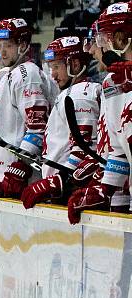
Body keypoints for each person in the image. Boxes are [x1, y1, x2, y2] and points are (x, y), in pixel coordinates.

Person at [0, 18, 58, 199]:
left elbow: (38, 127)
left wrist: (20, 167)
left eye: (8, 45)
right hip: (3, 174)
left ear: (22, 45)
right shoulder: (7, 75)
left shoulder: (27, 74)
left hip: (22, 178)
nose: (2, 52)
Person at [67, 2, 132, 223]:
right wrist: (104, 188)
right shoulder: (115, 83)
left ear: (122, 38)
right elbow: (119, 150)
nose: (98, 47)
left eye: (104, 38)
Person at [21, 36, 101, 209]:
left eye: (57, 66)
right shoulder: (73, 92)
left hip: (71, 190)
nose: (53, 74)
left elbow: (84, 150)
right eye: (51, 67)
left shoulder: (79, 95)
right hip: (65, 188)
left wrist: (58, 181)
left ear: (75, 65)